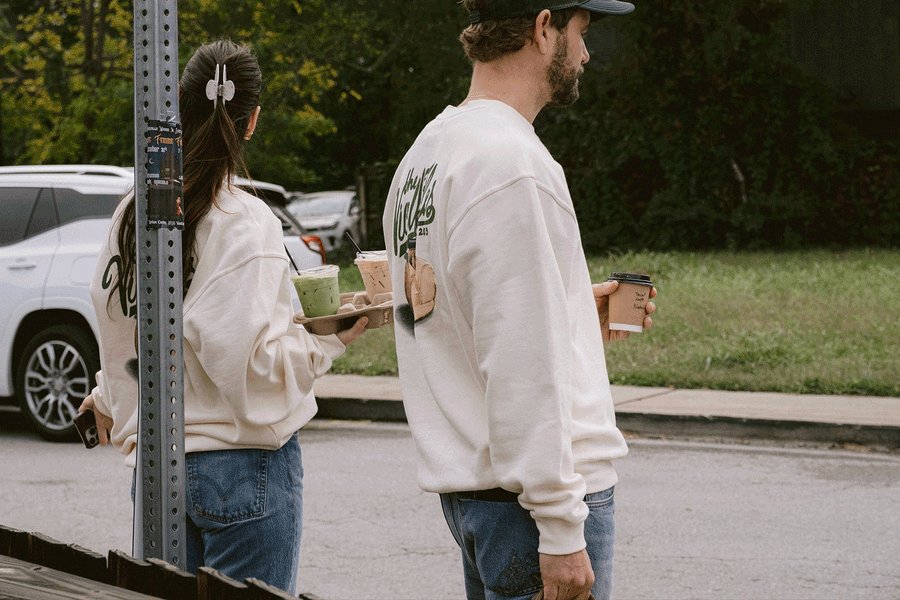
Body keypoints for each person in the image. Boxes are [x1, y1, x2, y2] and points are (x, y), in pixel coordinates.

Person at [382, 2, 655, 599]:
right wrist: (560, 525)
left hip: (478, 497)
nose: (586, 54)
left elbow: (435, 317)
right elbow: (519, 358)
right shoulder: (512, 164)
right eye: (581, 33)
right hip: (533, 510)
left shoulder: (424, 158)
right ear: (543, 27)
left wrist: (568, 314)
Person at [79, 40, 367, 594]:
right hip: (242, 469)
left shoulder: (132, 215)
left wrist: (110, 397)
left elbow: (125, 328)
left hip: (156, 471)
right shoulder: (244, 220)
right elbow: (251, 367)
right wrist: (326, 341)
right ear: (252, 120)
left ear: (180, 105)